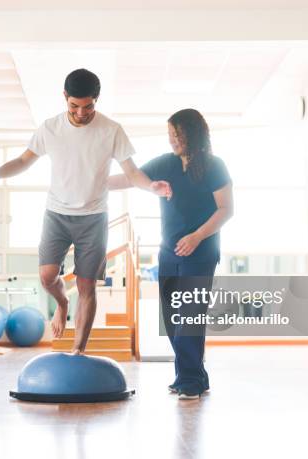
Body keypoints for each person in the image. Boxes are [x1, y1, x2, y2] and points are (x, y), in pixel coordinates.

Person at [0, 68, 172, 354]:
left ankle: (78, 350)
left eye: (88, 106)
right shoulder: (50, 128)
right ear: (65, 97)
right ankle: (63, 303)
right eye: (74, 106)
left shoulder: (111, 130)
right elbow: (23, 161)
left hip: (94, 217)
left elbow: (132, 171)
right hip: (57, 214)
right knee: (46, 276)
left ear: (96, 100)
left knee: (87, 285)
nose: (81, 113)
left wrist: (151, 187)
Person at [108, 108, 233, 399]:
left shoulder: (215, 166)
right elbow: (130, 178)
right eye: (170, 134)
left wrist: (197, 236)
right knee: (172, 318)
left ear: (194, 134)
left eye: (177, 134)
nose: (173, 140)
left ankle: (189, 379)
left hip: (201, 252)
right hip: (169, 251)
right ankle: (193, 376)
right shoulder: (166, 163)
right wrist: (90, 182)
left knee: (190, 317)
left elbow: (227, 209)